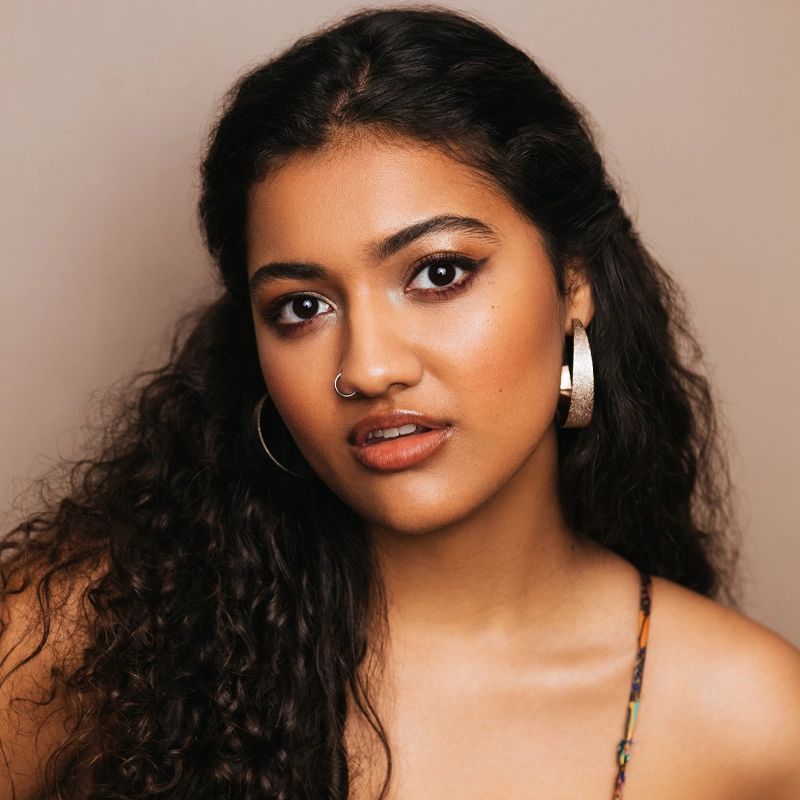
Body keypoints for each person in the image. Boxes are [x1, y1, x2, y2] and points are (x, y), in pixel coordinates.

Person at [1, 7, 798, 799]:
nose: (370, 369)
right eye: (302, 308)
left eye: (439, 274)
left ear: (575, 281)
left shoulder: (755, 723)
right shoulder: (84, 641)